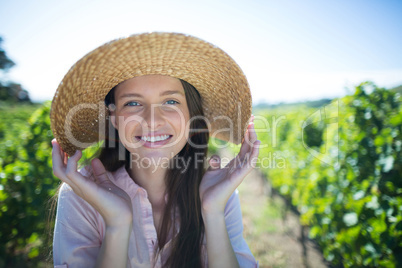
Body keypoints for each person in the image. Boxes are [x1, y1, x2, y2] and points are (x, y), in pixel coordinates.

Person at [50, 32, 260, 268]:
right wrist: (117, 224)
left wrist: (212, 212)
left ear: (192, 115)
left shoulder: (220, 194)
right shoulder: (80, 196)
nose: (152, 120)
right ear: (115, 118)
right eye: (133, 103)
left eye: (170, 102)